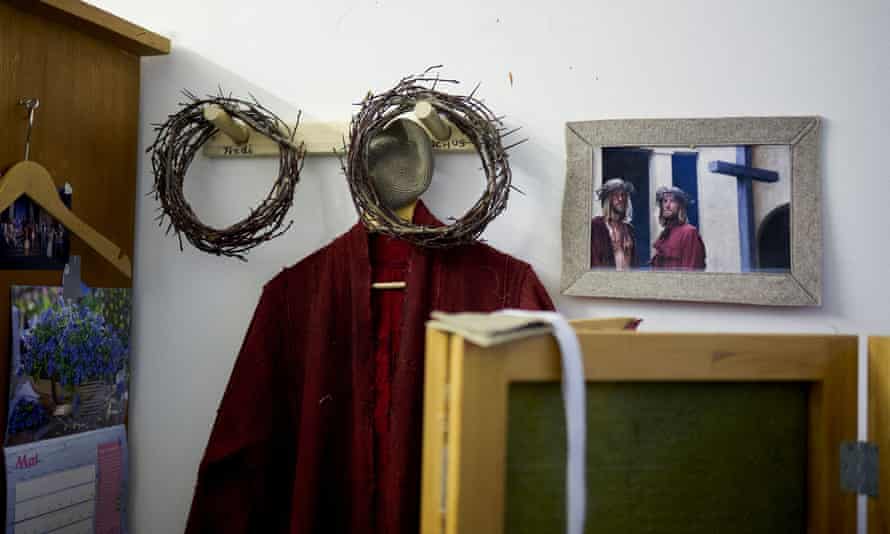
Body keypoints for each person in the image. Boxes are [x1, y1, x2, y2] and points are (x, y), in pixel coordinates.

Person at [650, 186, 706, 270]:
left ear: (681, 206)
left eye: (672, 201)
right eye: (665, 201)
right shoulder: (663, 235)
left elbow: (692, 273)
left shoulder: (689, 233)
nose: (667, 205)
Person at [590, 178, 638, 270]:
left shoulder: (629, 229)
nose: (621, 199)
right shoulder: (597, 226)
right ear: (608, 199)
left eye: (623, 195)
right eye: (616, 195)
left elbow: (634, 262)